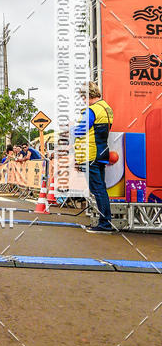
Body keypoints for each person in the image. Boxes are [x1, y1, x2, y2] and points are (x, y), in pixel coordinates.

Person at [74, 81, 114, 233]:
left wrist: (71, 128)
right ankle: (105, 222)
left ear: (88, 95)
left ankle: (105, 224)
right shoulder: (107, 108)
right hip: (102, 152)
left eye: (83, 97)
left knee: (98, 189)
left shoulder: (92, 110)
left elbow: (79, 131)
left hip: (90, 154)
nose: (83, 101)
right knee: (101, 188)